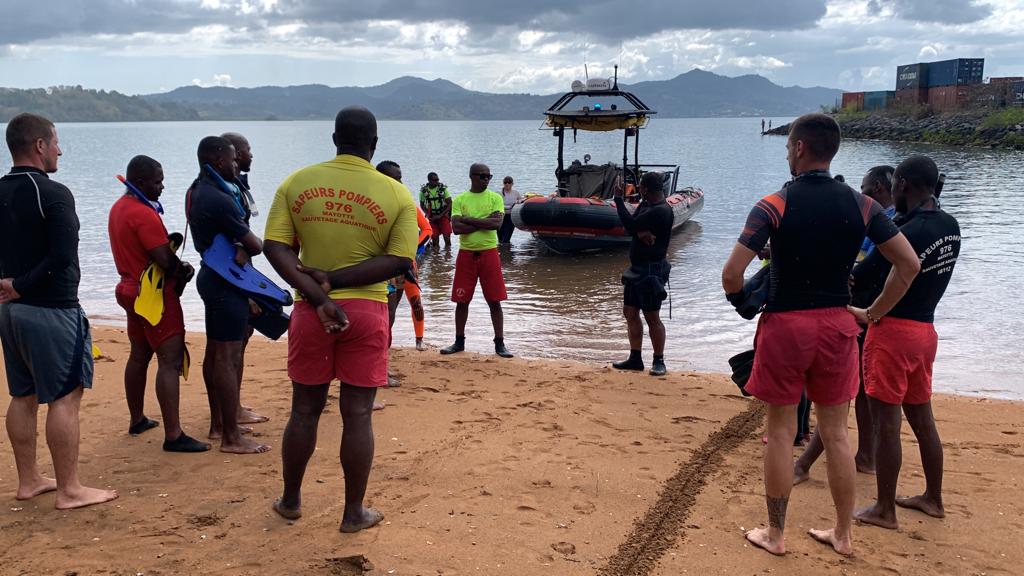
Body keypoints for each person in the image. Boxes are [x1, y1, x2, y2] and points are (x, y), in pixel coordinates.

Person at [721, 113, 920, 556]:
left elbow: (732, 273)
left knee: (779, 429)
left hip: (786, 325)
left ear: (798, 148)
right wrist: (871, 313)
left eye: (787, 147)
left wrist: (742, 305)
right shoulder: (863, 205)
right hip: (837, 324)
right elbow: (909, 265)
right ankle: (843, 535)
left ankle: (775, 535)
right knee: (836, 433)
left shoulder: (774, 203)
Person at [263, 106, 418, 532]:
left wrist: (319, 290)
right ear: (374, 143)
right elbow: (399, 260)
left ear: (334, 138)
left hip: (312, 314)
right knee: (358, 413)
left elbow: (275, 247)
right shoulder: (397, 194)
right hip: (367, 312)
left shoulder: (297, 182)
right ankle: (353, 513)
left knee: (304, 411)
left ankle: (291, 500)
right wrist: (337, 282)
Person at [0, 112, 118, 509]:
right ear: (39, 145)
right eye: (55, 142)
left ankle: (30, 480)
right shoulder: (52, 192)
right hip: (50, 310)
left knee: (23, 395)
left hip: (11, 313)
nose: (60, 150)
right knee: (65, 397)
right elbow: (63, 257)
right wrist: (20, 285)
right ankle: (70, 489)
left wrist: (9, 285)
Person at [851, 155, 961, 530]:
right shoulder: (950, 225)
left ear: (903, 185)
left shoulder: (905, 233)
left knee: (886, 422)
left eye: (895, 184)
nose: (892, 190)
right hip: (926, 331)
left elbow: (863, 275)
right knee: (922, 418)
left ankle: (884, 509)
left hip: (893, 330)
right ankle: (933, 497)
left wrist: (869, 313)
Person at [794, 164, 896, 482]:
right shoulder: (892, 220)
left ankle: (804, 465)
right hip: (874, 311)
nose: (862, 193)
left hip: (868, 311)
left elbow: (871, 266)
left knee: (842, 396)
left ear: (879, 187)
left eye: (865, 188)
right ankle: (865, 454)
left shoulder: (887, 220)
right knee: (861, 391)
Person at [108, 155, 208, 452]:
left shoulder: (118, 208)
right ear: (139, 182)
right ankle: (174, 435)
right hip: (152, 295)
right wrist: (184, 270)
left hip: (127, 290)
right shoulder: (143, 213)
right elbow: (164, 259)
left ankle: (137, 419)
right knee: (171, 359)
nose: (162, 187)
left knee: (139, 355)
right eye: (157, 181)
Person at [187, 135, 270, 454]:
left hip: (219, 278)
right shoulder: (217, 197)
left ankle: (223, 420)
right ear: (220, 161)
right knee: (225, 355)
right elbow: (256, 245)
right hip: (224, 282)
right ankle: (230, 436)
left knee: (220, 351)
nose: (239, 164)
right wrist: (244, 244)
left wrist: (239, 245)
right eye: (234, 160)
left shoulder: (200, 189)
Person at [220, 131, 270, 426]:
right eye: (248, 149)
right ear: (234, 155)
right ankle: (228, 414)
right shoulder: (222, 190)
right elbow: (240, 240)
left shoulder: (235, 185)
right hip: (231, 277)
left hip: (239, 274)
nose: (252, 155)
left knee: (239, 343)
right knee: (230, 348)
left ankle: (233, 405)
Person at [440, 164, 513, 358]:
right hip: (466, 254)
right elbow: (456, 228)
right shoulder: (461, 199)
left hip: (489, 253)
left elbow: (496, 224)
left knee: (494, 300)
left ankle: (500, 343)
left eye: (489, 176)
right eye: (482, 176)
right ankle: (459, 342)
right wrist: (483, 221)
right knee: (461, 301)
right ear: (471, 176)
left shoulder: (495, 197)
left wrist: (469, 220)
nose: (486, 179)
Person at [611, 171, 674, 376]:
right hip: (636, 268)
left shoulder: (661, 210)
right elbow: (632, 228)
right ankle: (635, 358)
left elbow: (629, 223)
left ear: (645, 189)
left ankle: (659, 360)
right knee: (630, 312)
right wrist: (639, 231)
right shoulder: (647, 205)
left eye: (640, 188)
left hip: (652, 269)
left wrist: (619, 199)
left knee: (652, 316)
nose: (639, 191)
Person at [377, 160, 430, 353]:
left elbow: (427, 229)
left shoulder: (407, 203)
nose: (400, 182)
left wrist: (410, 249)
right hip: (382, 266)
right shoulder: (371, 203)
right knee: (386, 309)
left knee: (415, 301)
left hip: (407, 263)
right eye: (396, 178)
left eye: (401, 178)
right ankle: (382, 348)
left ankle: (419, 340)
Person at [420, 172, 452, 251]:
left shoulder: (443, 189)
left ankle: (448, 255)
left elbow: (450, 203)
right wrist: (427, 214)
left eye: (438, 179)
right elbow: (422, 204)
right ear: (429, 180)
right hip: (432, 217)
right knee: (435, 239)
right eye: (435, 180)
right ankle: (436, 258)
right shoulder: (424, 192)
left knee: (447, 237)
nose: (437, 181)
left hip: (443, 215)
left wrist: (440, 215)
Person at [497, 176, 522, 244]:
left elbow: (521, 200)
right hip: (501, 216)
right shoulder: (499, 193)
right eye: (505, 183)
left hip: (511, 216)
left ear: (512, 184)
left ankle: (506, 251)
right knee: (500, 237)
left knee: (507, 238)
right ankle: (502, 250)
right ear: (503, 184)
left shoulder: (515, 193)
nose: (507, 184)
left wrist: (518, 202)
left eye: (509, 182)